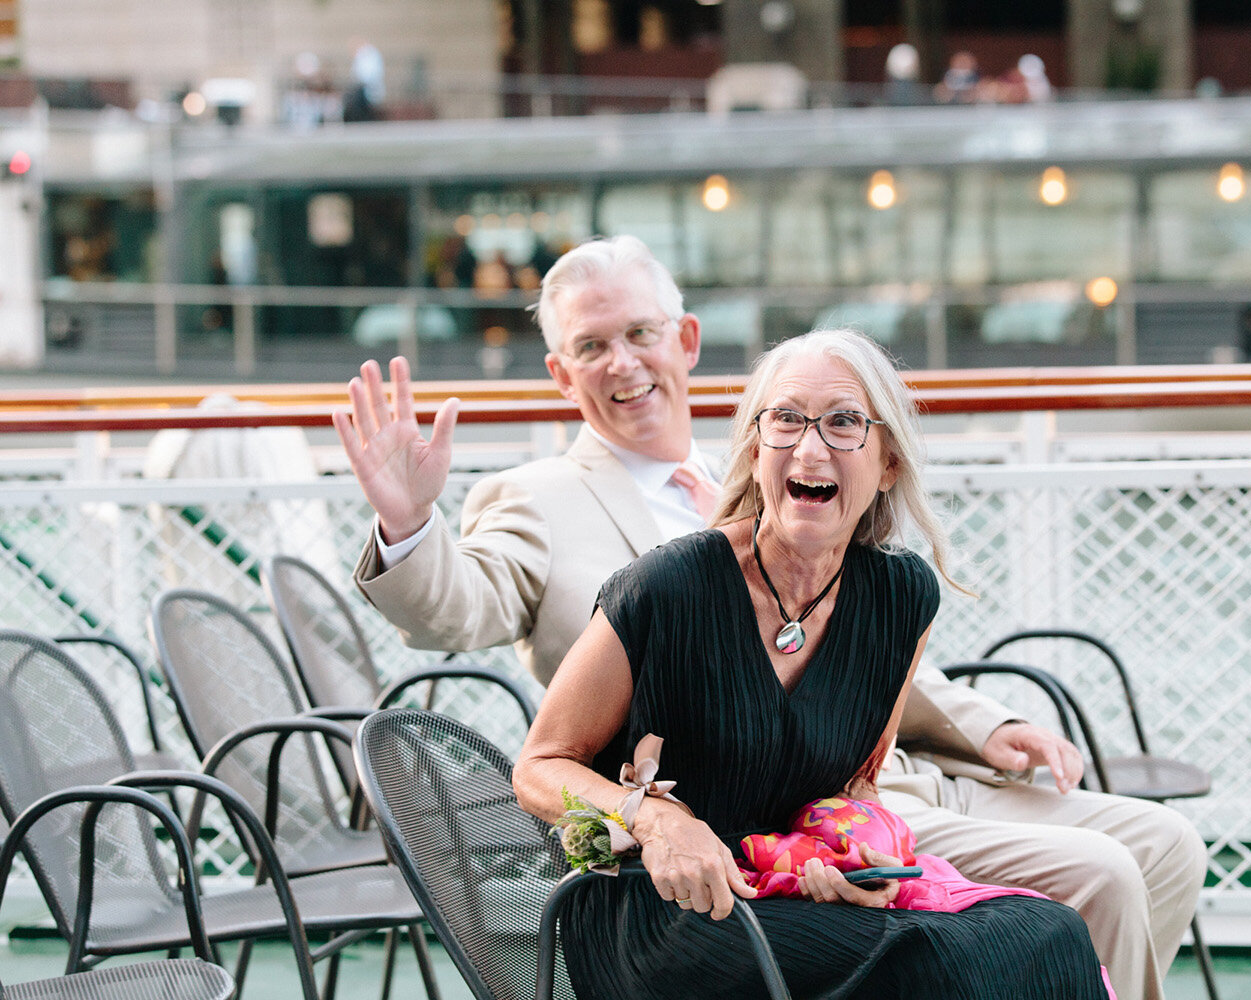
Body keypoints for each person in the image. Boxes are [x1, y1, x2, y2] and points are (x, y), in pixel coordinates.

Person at [334, 235, 1204, 1000]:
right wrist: (410, 525)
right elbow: (465, 611)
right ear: (562, 373)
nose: (623, 363)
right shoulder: (569, 518)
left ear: (685, 342)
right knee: (1028, 925)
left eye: (639, 334)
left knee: (1138, 863)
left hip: (852, 802)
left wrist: (984, 732)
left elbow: (875, 672)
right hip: (679, 878)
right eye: (591, 346)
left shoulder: (838, 522)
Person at [512, 328, 1113, 999]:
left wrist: (855, 859)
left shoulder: (902, 596)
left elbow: (855, 788)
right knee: (944, 965)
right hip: (662, 911)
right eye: (787, 420)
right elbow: (540, 765)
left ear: (887, 462)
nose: (810, 446)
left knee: (1051, 932)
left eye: (844, 422)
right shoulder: (668, 586)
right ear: (755, 447)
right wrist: (655, 820)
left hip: (792, 890)